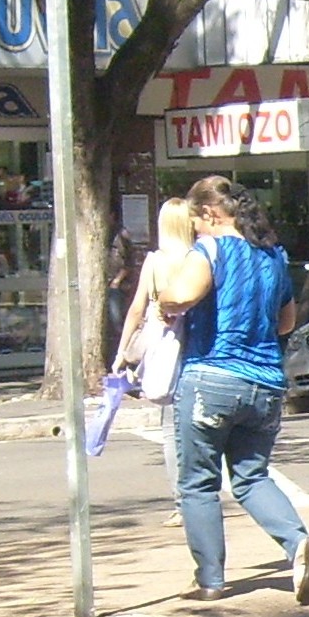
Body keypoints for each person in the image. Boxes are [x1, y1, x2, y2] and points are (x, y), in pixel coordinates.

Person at [154, 174, 309, 605]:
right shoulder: (273, 256)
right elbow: (285, 323)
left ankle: (210, 579)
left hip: (211, 378)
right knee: (251, 477)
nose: (195, 228)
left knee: (197, 484)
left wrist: (163, 301)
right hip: (266, 384)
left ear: (211, 214)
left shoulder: (210, 249)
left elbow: (181, 294)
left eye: (196, 220)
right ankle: (298, 544)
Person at [112, 197, 195, 527]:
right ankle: (202, 495)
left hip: (166, 352)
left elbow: (136, 309)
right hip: (199, 349)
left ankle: (182, 502)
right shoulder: (199, 258)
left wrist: (123, 352)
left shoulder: (156, 261)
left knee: (171, 429)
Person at [103, 224, 136, 357]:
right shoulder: (107, 235)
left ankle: (121, 354)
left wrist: (117, 280)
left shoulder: (120, 235)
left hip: (117, 286)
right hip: (106, 283)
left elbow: (128, 262)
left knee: (117, 321)